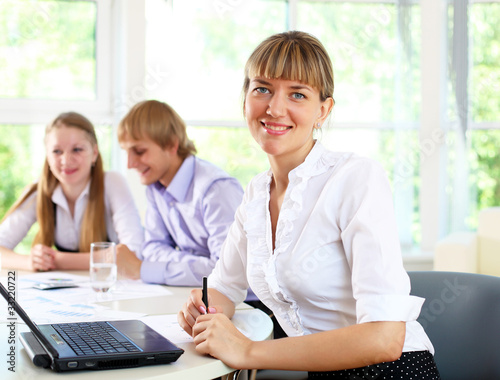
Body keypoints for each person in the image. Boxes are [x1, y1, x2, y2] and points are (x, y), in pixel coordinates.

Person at [177, 31, 441, 379]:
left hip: (390, 371)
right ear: (245, 98)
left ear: (323, 110)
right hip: (322, 372)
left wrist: (248, 350)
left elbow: (385, 338)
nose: (274, 108)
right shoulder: (256, 193)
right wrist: (202, 307)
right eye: (262, 89)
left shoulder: (355, 178)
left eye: (297, 94)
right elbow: (225, 288)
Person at [116, 100, 245, 288]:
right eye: (127, 152)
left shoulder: (216, 189)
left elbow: (226, 271)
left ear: (171, 145)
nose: (130, 163)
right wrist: (195, 263)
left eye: (139, 151)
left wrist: (143, 269)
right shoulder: (155, 187)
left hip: (246, 305)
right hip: (195, 293)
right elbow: (152, 249)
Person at [0, 112, 144, 271]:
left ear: (94, 153)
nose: (66, 160)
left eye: (77, 149)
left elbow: (133, 253)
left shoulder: (112, 183)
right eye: (57, 151)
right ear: (47, 155)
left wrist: (59, 260)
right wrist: (30, 262)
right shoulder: (39, 191)